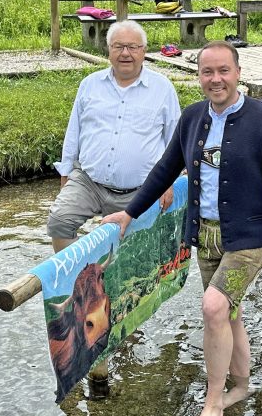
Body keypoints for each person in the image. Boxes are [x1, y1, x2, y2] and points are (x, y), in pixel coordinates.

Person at [103, 40, 262, 416]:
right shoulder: (193, 118)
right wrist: (129, 213)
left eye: (223, 71)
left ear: (238, 72)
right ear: (199, 77)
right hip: (206, 235)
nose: (216, 79)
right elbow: (164, 169)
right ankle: (241, 385)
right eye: (207, 72)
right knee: (229, 314)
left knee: (213, 306)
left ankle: (213, 405)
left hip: (250, 236)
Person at [47, 20, 179, 252]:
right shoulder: (90, 85)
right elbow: (74, 130)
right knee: (60, 221)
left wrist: (169, 182)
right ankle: (81, 280)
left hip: (142, 188)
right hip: (89, 181)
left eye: (133, 47)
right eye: (118, 46)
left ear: (144, 51)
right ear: (108, 50)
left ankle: (115, 277)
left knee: (138, 249)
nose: (125, 53)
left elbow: (175, 140)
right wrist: (65, 172)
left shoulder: (162, 88)